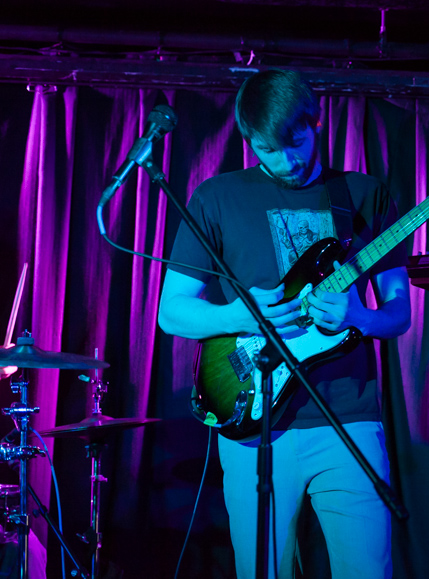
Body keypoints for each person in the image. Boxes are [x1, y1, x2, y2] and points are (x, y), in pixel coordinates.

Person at [158, 69, 411, 579]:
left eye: (295, 143)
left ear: (315, 122)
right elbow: (172, 312)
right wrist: (239, 312)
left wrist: (360, 315)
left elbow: (399, 313)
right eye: (268, 151)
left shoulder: (363, 194)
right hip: (254, 421)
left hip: (348, 418)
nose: (287, 162)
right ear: (249, 141)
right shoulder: (216, 197)